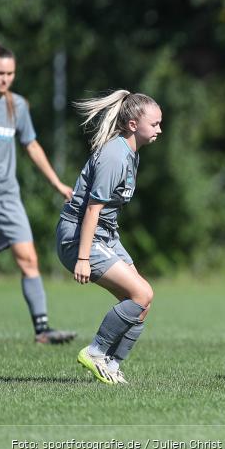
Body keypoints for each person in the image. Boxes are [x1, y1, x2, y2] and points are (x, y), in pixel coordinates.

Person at [56, 90, 162, 384]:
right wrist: (83, 257)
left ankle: (112, 364)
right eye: (154, 124)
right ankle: (95, 352)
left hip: (106, 235)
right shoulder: (115, 155)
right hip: (79, 237)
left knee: (143, 300)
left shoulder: (131, 153)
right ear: (132, 125)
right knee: (140, 295)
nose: (159, 130)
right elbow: (91, 210)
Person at [0, 42, 76, 344]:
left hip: (7, 197)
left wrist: (56, 183)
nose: (4, 79)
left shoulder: (17, 106)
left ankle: (42, 330)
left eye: (10, 73)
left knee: (28, 258)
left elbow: (31, 145)